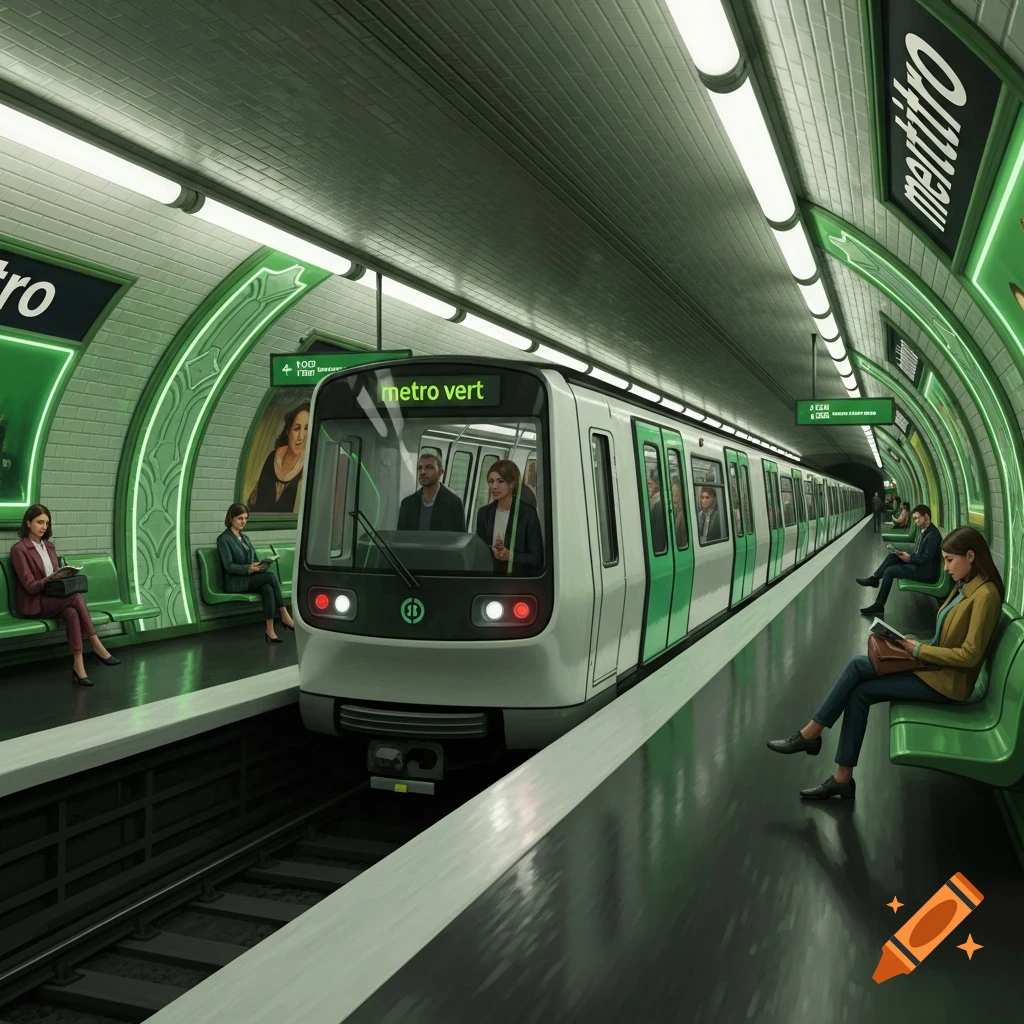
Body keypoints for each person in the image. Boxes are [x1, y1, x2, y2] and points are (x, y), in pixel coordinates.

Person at [767, 526, 1003, 799]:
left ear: (970, 556)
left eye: (950, 560)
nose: (946, 568)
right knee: (860, 692)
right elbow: (944, 638)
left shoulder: (985, 596)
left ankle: (811, 734)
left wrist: (918, 651)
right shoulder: (964, 586)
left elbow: (969, 655)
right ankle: (842, 777)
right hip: (935, 668)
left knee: (857, 665)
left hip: (949, 684)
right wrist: (916, 642)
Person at [9, 504, 121, 686]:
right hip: (34, 603)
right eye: (39, 522)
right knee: (76, 598)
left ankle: (79, 665)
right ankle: (96, 644)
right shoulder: (19, 550)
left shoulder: (49, 547)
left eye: (46, 523)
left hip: (53, 600)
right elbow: (30, 587)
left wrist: (64, 574)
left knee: (71, 613)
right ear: (28, 523)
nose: (44, 527)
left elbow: (53, 578)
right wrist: (51, 578)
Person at [217, 504, 295, 642]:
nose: (243, 522)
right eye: (240, 518)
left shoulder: (245, 538)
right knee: (271, 577)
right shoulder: (223, 539)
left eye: (245, 518)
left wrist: (259, 565)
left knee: (267, 588)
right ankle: (284, 614)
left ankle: (270, 630)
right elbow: (229, 566)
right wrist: (249, 568)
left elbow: (254, 559)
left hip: (249, 578)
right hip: (235, 582)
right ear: (231, 518)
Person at [857, 504, 941, 615]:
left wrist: (909, 558)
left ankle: (879, 605)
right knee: (893, 556)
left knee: (890, 571)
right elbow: (921, 555)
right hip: (921, 566)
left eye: (917, 518)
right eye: (914, 519)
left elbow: (925, 559)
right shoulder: (926, 531)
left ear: (926, 516)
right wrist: (907, 556)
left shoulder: (932, 535)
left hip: (925, 572)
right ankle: (874, 578)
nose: (915, 522)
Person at [475, 459, 543, 573]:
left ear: (512, 483)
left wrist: (511, 556)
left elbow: (537, 558)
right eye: (491, 481)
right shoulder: (484, 513)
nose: (494, 486)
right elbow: (479, 551)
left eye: (500, 481)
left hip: (517, 578)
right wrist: (491, 551)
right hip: (490, 576)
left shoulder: (527, 514)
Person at [247, 402, 309, 514]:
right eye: (296, 429)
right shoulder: (273, 457)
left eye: (306, 429)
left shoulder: (308, 466)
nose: (301, 437)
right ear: (288, 431)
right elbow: (255, 503)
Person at [396, 454, 466, 531]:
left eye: (429, 467)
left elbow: (459, 536)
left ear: (440, 472)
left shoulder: (454, 503)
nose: (422, 472)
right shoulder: (407, 503)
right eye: (420, 468)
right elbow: (401, 536)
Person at [646, 472, 667, 552]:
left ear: (657, 485)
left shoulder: (658, 504)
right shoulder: (652, 500)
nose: (648, 487)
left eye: (650, 484)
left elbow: (658, 532)